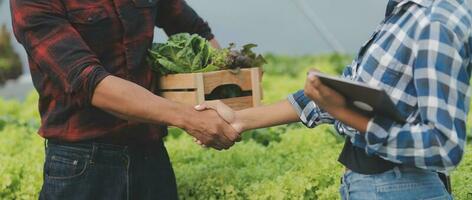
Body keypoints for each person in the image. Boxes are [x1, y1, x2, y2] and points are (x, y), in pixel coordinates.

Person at [196, 0, 472, 199]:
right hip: (380, 185)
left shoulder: (435, 23)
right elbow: (349, 94)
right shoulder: (407, 12)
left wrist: (350, 114)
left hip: (398, 186)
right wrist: (240, 118)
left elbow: (443, 145)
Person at [10, 0, 240, 199]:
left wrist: (224, 84)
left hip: (151, 156)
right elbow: (89, 82)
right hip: (81, 164)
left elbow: (194, 30)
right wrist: (188, 117)